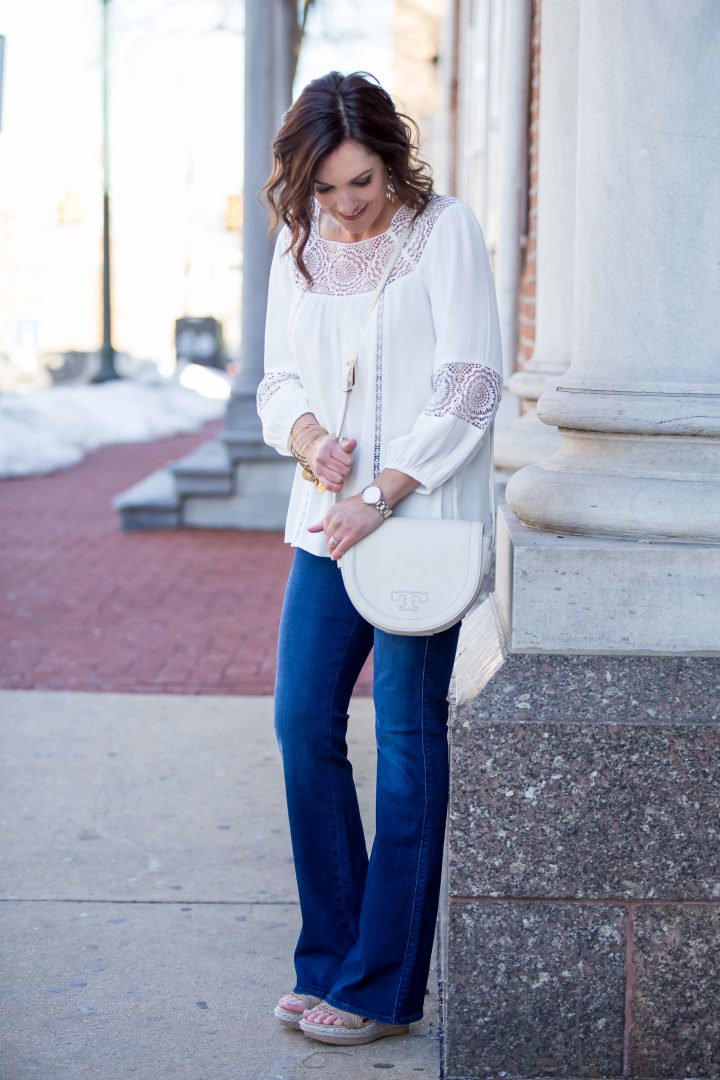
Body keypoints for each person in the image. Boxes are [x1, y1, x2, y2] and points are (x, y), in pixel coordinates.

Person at [257, 71, 502, 1047]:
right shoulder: (298, 245)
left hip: (418, 522)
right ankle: (332, 957)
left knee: (405, 739)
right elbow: (277, 378)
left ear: (391, 161)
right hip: (327, 523)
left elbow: (471, 380)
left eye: (360, 182)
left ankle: (383, 988)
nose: (345, 204)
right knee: (301, 723)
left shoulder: (445, 232)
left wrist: (382, 491)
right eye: (325, 187)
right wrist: (311, 438)